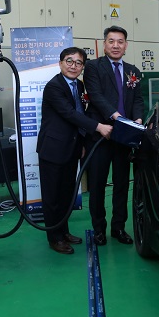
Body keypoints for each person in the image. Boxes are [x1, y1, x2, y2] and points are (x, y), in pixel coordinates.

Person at [37, 47, 113, 254]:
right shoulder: (54, 87)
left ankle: (63, 232)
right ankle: (54, 238)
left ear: (82, 67)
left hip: (72, 148)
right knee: (52, 198)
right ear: (60, 63)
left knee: (65, 196)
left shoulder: (79, 85)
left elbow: (80, 114)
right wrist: (98, 127)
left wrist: (81, 144)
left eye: (78, 63)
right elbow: (70, 114)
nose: (73, 66)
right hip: (53, 150)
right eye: (69, 61)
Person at [84, 25, 144, 246]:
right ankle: (99, 229)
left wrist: (138, 119)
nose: (116, 45)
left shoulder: (133, 71)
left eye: (120, 42)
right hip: (101, 135)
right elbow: (96, 96)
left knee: (122, 184)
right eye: (111, 41)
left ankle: (118, 227)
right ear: (104, 44)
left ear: (126, 45)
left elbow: (138, 99)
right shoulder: (93, 67)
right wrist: (116, 117)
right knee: (98, 185)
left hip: (124, 137)